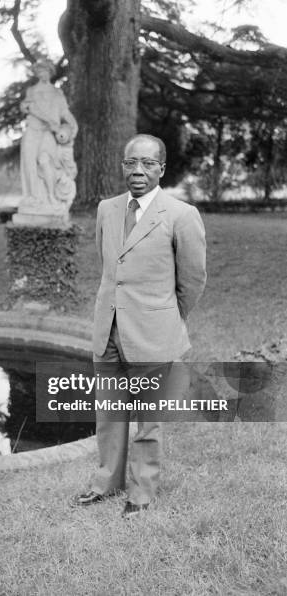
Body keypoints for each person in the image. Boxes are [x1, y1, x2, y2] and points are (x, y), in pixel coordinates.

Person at [72, 134, 207, 518]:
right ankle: (106, 482)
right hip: (109, 331)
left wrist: (166, 316)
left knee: (148, 420)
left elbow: (193, 280)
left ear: (161, 169)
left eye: (148, 164)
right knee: (109, 413)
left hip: (154, 335)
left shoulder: (181, 215)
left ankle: (142, 493)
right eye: (131, 162)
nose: (138, 171)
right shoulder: (106, 210)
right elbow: (109, 268)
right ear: (122, 166)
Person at [19, 59, 78, 209]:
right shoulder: (31, 91)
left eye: (45, 70)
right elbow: (26, 106)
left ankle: (52, 196)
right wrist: (24, 106)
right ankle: (34, 197)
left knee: (45, 161)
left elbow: (64, 112)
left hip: (49, 133)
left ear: (50, 72)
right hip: (32, 130)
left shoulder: (57, 92)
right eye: (39, 71)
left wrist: (73, 125)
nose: (42, 73)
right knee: (29, 163)